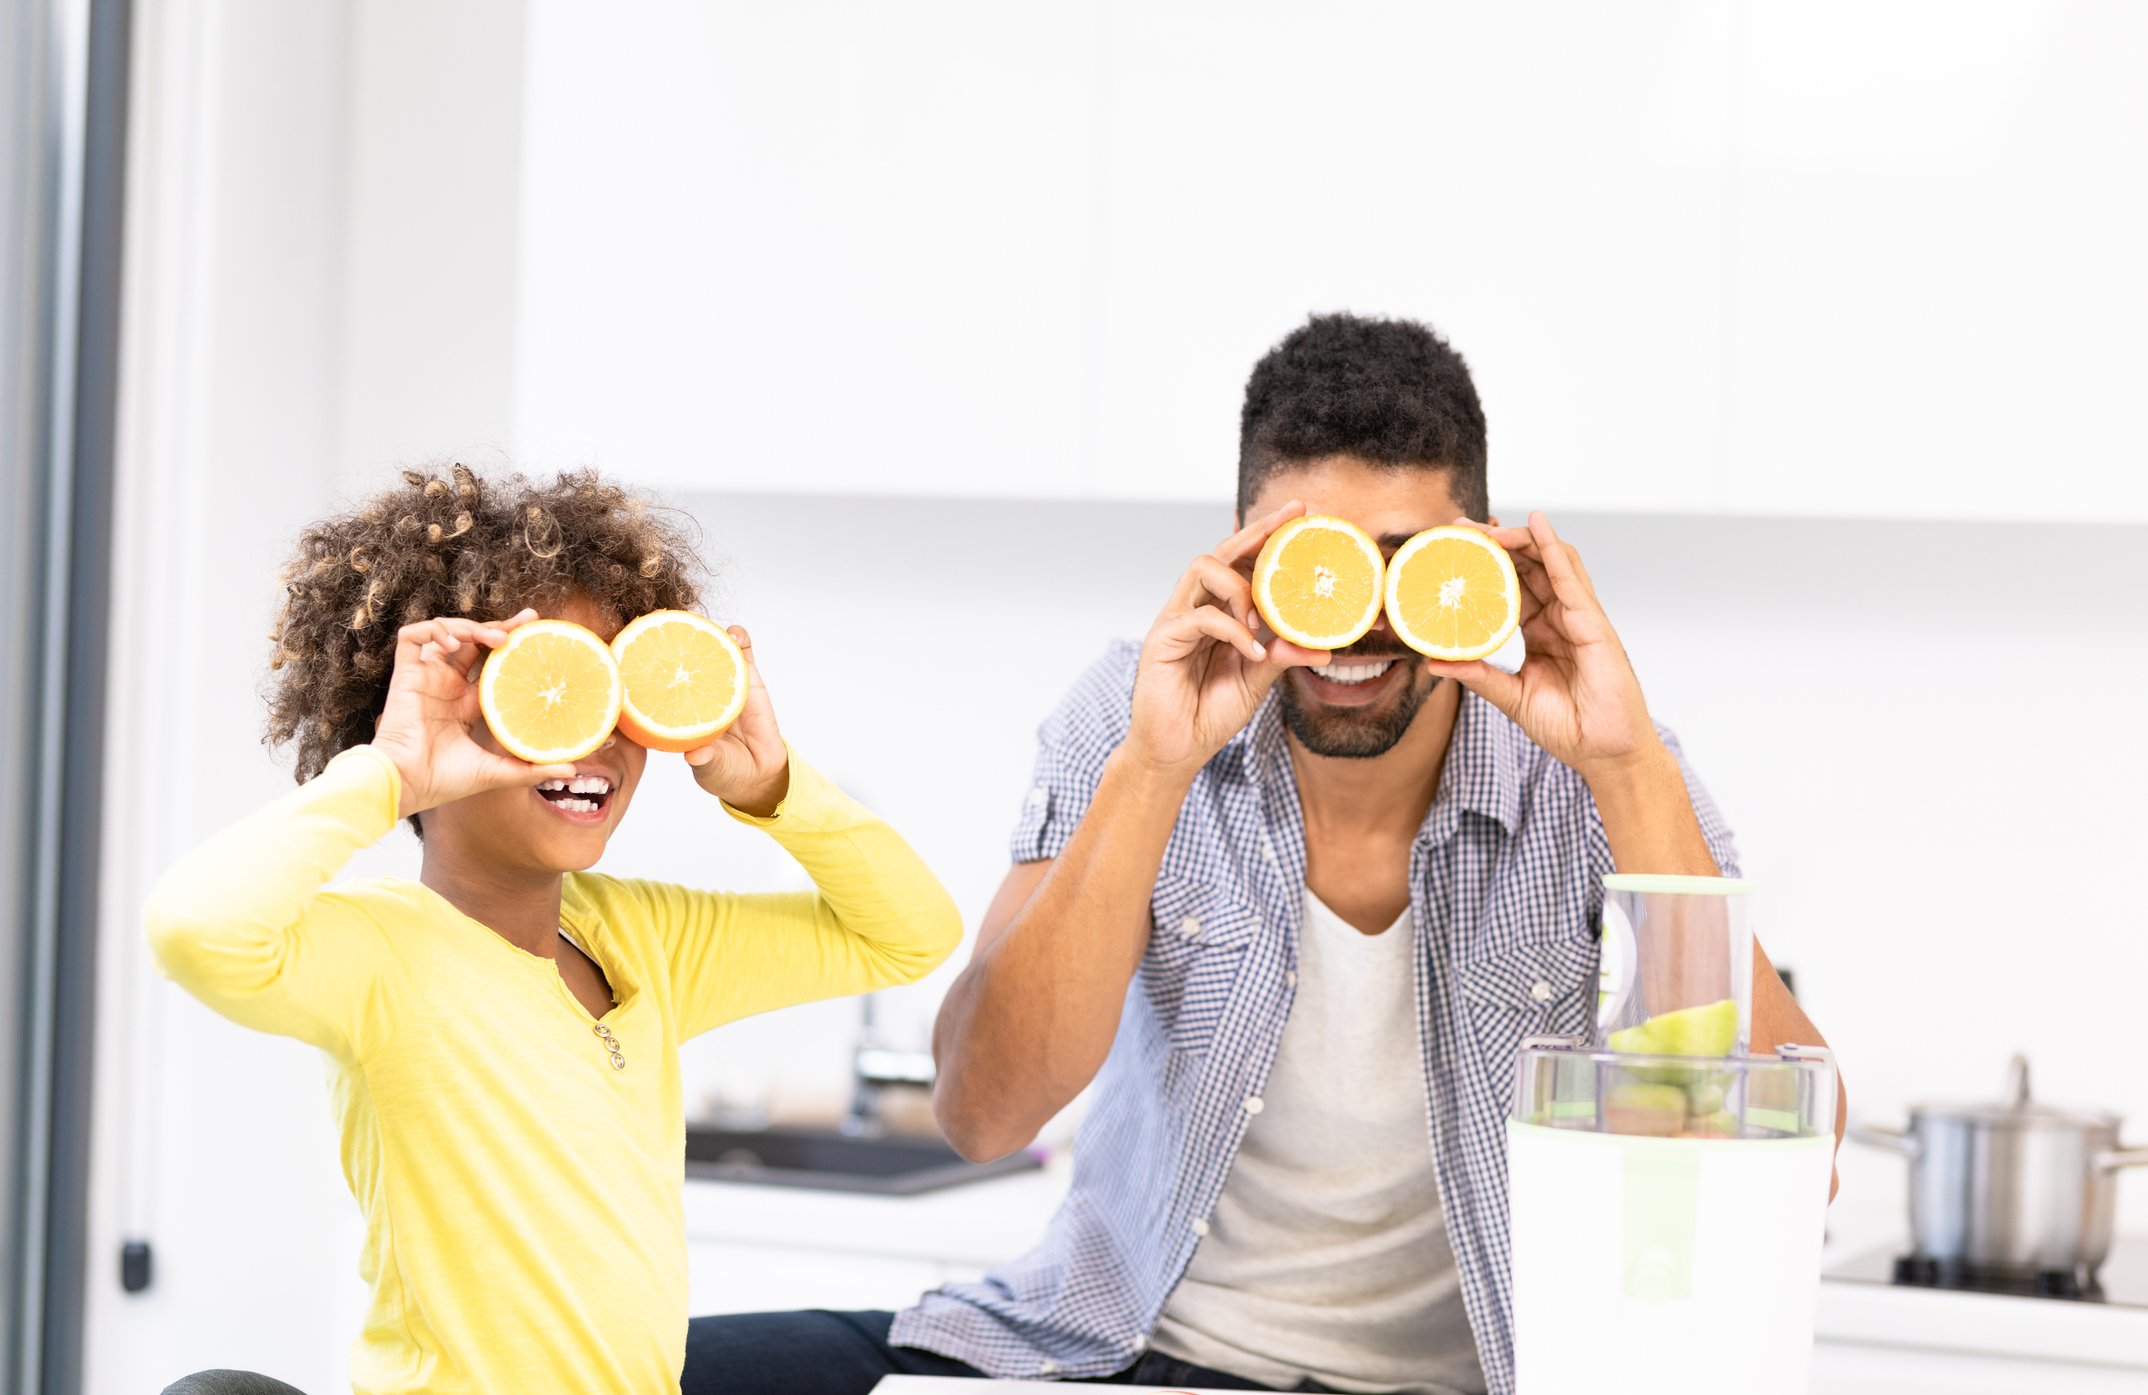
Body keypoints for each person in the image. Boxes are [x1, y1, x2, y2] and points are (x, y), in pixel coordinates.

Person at [684, 313, 1843, 1395]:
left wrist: (1625, 768)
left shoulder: (1602, 764)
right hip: (1125, 1354)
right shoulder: (1136, 718)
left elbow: (1784, 1152)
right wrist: (1154, 768)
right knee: (645, 1365)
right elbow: (982, 1112)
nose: (1354, 623)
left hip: (1458, 1379)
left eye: (1405, 564)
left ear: (1475, 569)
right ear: (1243, 561)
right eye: (1318, 569)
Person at [147, 466, 963, 1395]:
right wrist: (392, 770)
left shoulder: (643, 938)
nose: (596, 737)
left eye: (618, 690)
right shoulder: (388, 953)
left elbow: (910, 935)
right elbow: (192, 927)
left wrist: (775, 787)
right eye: (548, 691)